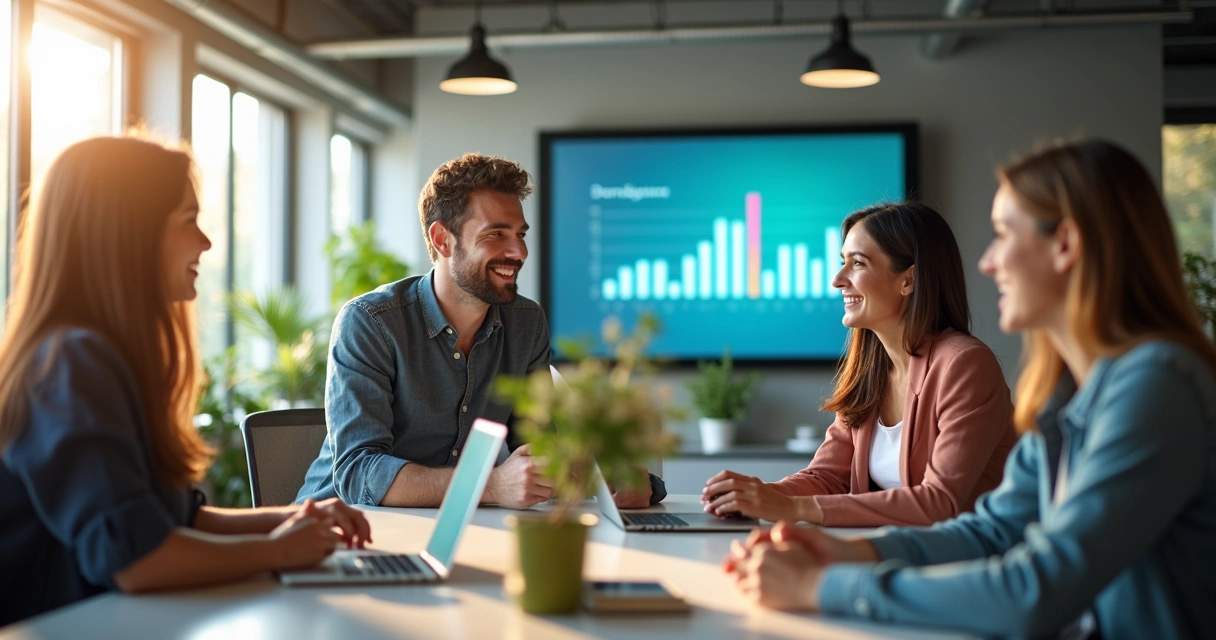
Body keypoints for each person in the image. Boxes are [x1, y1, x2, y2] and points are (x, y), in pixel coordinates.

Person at [726, 140, 1216, 639]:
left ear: (1066, 245)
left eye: (1003, 235)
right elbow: (995, 530)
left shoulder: (1156, 385)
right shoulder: (1067, 392)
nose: (987, 262)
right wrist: (852, 551)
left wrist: (826, 585)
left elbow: (1034, 589)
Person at [0, 136, 370, 627]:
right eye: (187, 220)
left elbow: (174, 519)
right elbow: (137, 559)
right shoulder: (69, 364)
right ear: (127, 234)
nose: (206, 242)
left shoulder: (97, 357)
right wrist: (278, 552)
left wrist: (291, 520)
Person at [297, 153, 665, 509]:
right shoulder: (371, 322)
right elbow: (358, 473)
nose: (519, 251)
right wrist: (490, 485)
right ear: (443, 239)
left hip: (452, 527)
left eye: (520, 234)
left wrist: (621, 482)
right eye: (496, 234)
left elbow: (539, 451)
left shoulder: (526, 323)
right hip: (343, 532)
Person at [702, 202, 1017, 527]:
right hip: (898, 552)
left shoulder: (964, 365)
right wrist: (759, 496)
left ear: (907, 280)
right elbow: (828, 478)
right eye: (842, 263)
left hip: (968, 563)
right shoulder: (871, 370)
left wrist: (790, 508)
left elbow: (939, 502)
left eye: (857, 263)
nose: (838, 280)